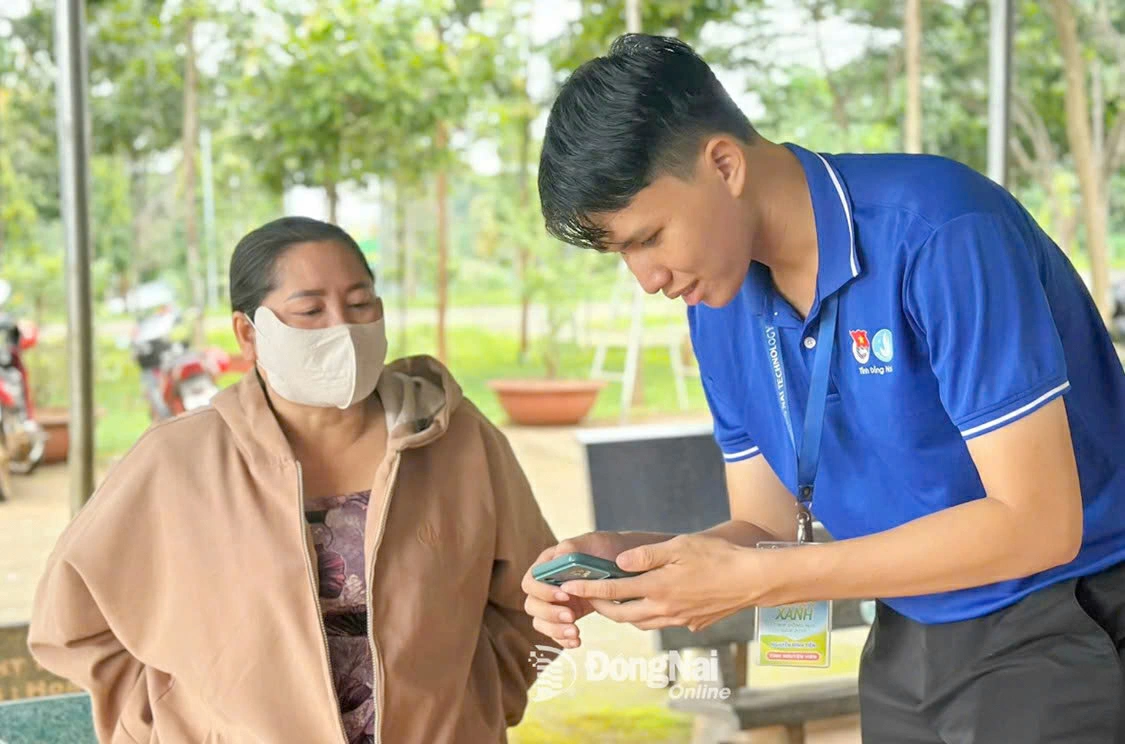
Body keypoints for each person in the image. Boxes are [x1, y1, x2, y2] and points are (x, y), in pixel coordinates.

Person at [523, 34, 1125, 743]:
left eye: (648, 237)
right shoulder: (717, 304)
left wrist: (768, 579)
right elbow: (770, 528)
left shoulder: (940, 231)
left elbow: (1037, 524)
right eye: (621, 253)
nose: (647, 279)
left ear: (724, 164)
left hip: (1062, 617)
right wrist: (631, 562)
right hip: (906, 627)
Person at [30, 216, 555, 744]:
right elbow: (72, 624)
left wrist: (484, 702)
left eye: (360, 303)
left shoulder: (456, 439)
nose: (342, 328)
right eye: (310, 311)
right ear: (248, 333)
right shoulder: (176, 463)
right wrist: (163, 724)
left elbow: (537, 596)